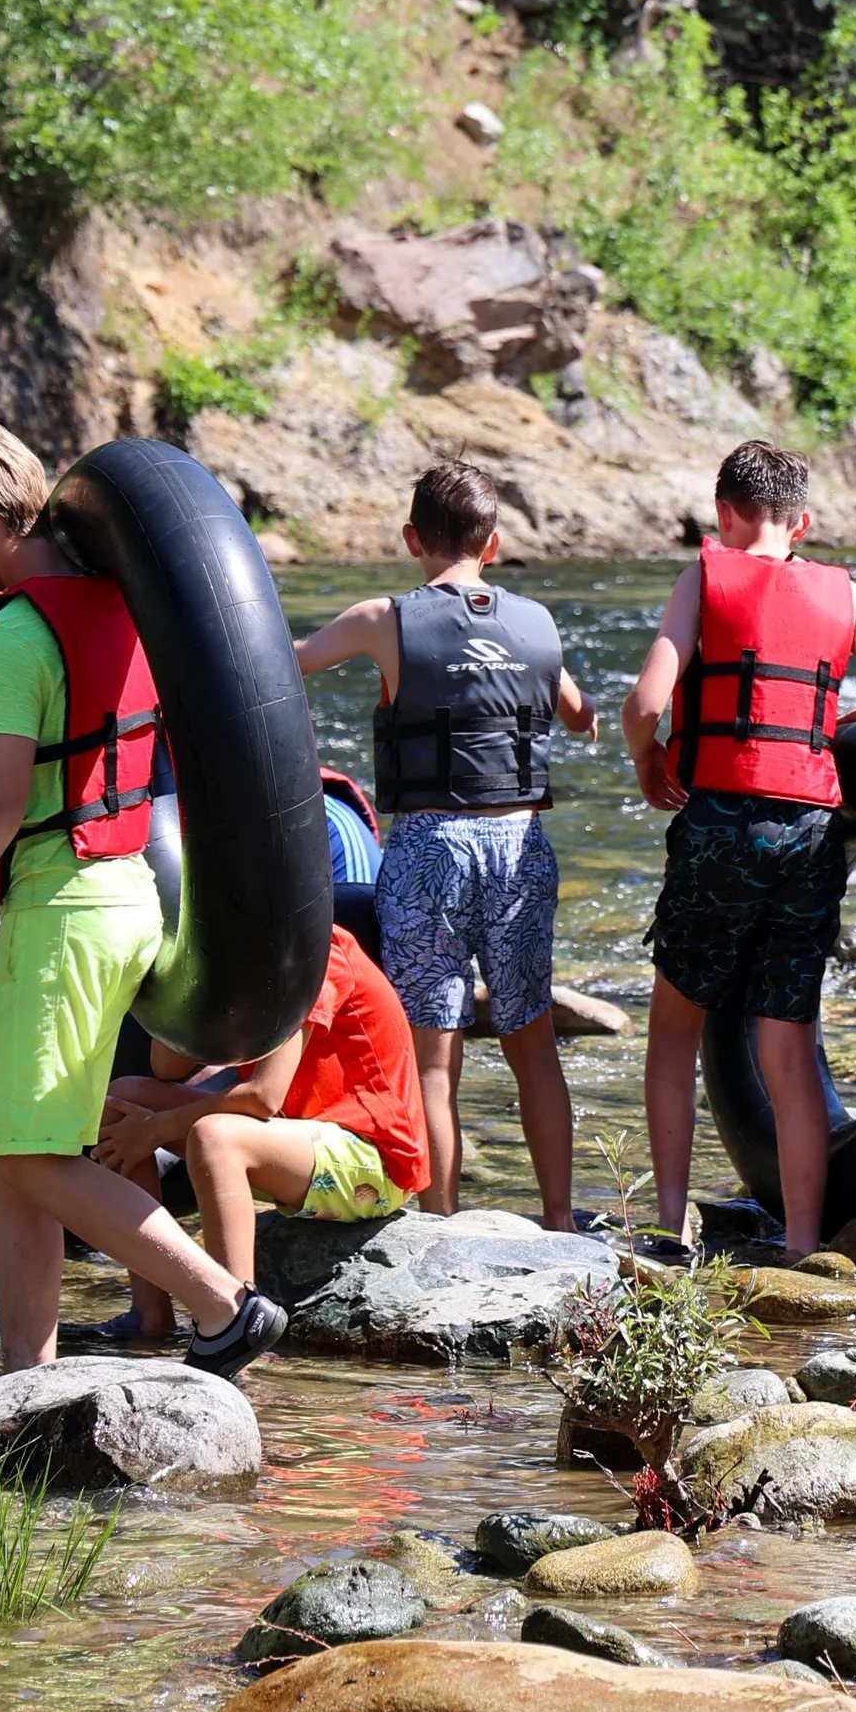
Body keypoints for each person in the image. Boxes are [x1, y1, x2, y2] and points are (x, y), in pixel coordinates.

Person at [0, 422, 286, 1377]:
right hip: (128, 893)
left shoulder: (14, 632)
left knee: (31, 1155)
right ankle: (29, 1368)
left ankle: (225, 1307)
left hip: (62, 912)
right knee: (4, 1138)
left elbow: (0, 805)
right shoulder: (119, 602)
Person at [622, 439, 856, 1258]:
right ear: (801, 523)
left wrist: (648, 757)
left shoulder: (704, 579)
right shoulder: (845, 593)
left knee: (675, 1030)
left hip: (721, 823)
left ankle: (669, 1228)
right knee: (789, 1046)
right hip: (811, 829)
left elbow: (645, 701)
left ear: (724, 515)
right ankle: (803, 1244)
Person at [294, 461, 597, 1225]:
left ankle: (441, 1225)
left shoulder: (383, 619)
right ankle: (560, 1219)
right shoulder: (538, 622)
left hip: (431, 848)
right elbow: (577, 712)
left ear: (411, 539)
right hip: (519, 844)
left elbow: (284, 663)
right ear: (492, 544)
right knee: (533, 1044)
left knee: (434, 1059)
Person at [91, 922, 431, 1342]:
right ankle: (150, 1316)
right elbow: (167, 1067)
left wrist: (155, 1129)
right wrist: (189, 977)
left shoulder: (313, 953)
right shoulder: (233, 954)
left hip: (377, 1159)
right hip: (302, 1139)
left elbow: (262, 1097)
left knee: (217, 1137)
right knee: (123, 1101)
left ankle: (233, 1324)